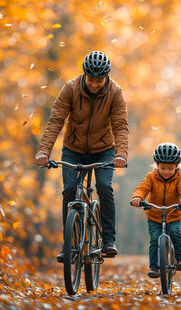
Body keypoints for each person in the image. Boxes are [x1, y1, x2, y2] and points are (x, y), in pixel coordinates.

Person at [35, 51, 128, 259]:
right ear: (84, 74)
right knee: (69, 190)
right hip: (73, 149)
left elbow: (120, 126)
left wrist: (120, 154)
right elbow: (56, 121)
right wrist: (43, 151)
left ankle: (109, 239)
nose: (95, 85)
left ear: (106, 78)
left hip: (103, 151)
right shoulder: (70, 88)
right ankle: (69, 244)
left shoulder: (115, 92)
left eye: (99, 80)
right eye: (91, 80)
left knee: (104, 187)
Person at [131, 143, 181, 278]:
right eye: (163, 168)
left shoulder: (180, 178)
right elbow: (142, 188)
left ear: (177, 166)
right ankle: (154, 267)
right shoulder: (151, 177)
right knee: (155, 238)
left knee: (174, 232)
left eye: (170, 168)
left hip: (173, 214)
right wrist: (137, 197)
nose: (166, 171)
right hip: (154, 214)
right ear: (157, 166)